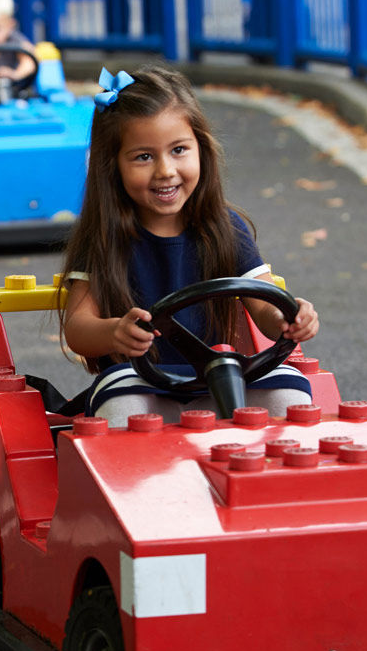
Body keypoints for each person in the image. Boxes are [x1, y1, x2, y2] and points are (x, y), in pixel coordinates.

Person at [57, 65, 320, 426]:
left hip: (223, 377)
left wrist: (289, 320)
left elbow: (264, 310)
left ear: (201, 149)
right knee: (120, 403)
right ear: (112, 166)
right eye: (144, 157)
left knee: (290, 390)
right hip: (142, 383)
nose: (165, 170)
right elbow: (78, 328)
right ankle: (135, 479)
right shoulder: (103, 238)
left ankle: (275, 480)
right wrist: (115, 332)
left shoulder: (227, 228)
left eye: (179, 150)